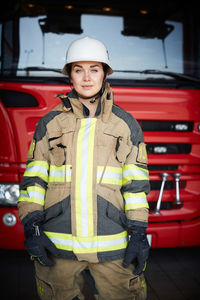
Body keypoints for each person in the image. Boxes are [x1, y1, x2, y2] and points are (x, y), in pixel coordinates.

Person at [18, 36, 150, 300]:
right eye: (79, 69)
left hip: (114, 248)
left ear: (104, 74)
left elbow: (135, 185)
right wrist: (32, 228)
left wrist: (138, 233)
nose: (87, 77)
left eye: (94, 69)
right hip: (58, 247)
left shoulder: (125, 125)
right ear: (70, 75)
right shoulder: (49, 124)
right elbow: (33, 183)